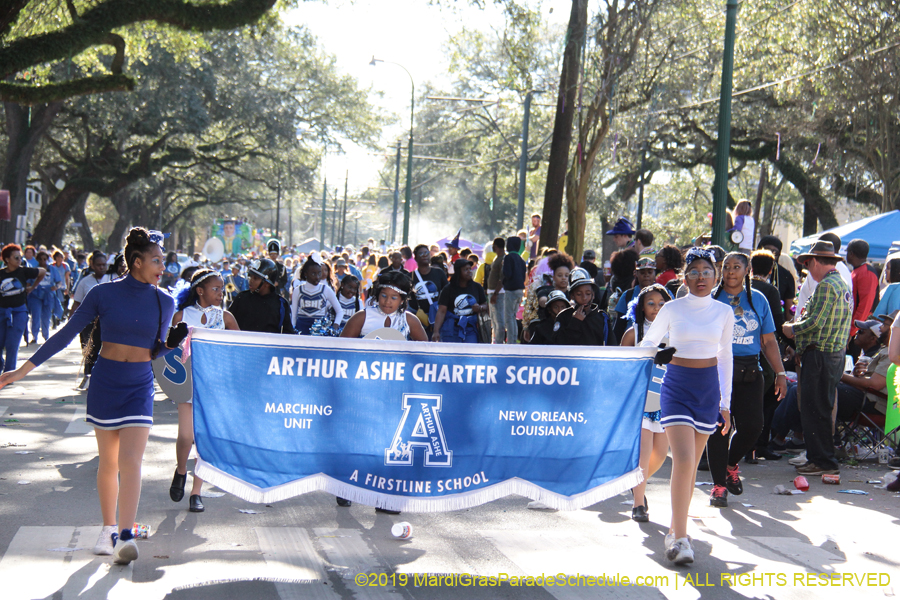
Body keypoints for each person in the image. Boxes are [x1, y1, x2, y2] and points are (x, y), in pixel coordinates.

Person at [0, 228, 184, 565]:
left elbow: (155, 351)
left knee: (131, 461)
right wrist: (20, 371)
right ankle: (108, 527)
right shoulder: (102, 293)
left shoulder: (165, 300)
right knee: (109, 462)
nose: (164, 266)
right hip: (106, 382)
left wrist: (172, 343)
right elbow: (66, 334)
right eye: (157, 260)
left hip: (140, 386)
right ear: (137, 262)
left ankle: (126, 536)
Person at [640, 247, 735, 565]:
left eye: (707, 272)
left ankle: (675, 527)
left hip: (708, 391)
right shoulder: (672, 308)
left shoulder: (724, 312)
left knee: (691, 464)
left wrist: (726, 403)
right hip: (676, 386)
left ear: (716, 275)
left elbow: (725, 357)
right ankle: (680, 538)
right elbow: (647, 343)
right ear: (684, 276)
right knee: (682, 458)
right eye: (693, 272)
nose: (701, 278)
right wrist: (659, 353)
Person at [707, 252, 786, 507]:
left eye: (736, 267)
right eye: (726, 267)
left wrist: (781, 373)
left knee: (753, 427)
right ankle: (719, 486)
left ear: (747, 270)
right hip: (718, 370)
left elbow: (769, 340)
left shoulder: (758, 299)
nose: (730, 271)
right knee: (720, 428)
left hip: (751, 370)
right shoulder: (712, 298)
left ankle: (730, 465)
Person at [168, 268, 239, 514]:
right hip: (187, 385)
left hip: (214, 386)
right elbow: (167, 352)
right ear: (200, 290)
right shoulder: (180, 316)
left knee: (204, 440)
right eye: (216, 288)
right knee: (186, 437)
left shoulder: (226, 317)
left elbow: (240, 349)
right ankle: (180, 471)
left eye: (222, 288)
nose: (221, 293)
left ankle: (197, 491)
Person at [782, 241, 851, 476]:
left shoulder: (825, 286)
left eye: (808, 263)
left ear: (814, 261)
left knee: (814, 410)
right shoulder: (840, 285)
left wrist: (791, 329)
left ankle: (822, 460)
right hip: (832, 355)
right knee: (821, 407)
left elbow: (815, 322)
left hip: (820, 355)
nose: (807, 269)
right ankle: (820, 458)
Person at [621, 284, 672, 522]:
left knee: (661, 454)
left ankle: (634, 483)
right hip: (641, 402)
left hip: (667, 400)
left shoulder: (677, 331)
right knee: (643, 453)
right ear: (641, 307)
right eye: (650, 303)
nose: (656, 307)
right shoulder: (633, 333)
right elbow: (621, 370)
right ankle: (638, 504)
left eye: (661, 303)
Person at [340, 270, 427, 341]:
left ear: (402, 300)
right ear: (378, 295)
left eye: (393, 298)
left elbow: (425, 351)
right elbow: (341, 348)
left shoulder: (410, 320)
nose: (387, 302)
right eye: (384, 296)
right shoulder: (361, 317)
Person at [0, 244, 46, 371]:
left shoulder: (23, 271)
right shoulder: (1, 274)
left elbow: (42, 272)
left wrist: (33, 287)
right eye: (16, 257)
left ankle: (8, 373)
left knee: (12, 344)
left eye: (20, 257)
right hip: (2, 312)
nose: (19, 260)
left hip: (19, 312)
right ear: (7, 259)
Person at [229, 258, 295, 334]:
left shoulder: (281, 304)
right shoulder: (242, 298)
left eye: (255, 278)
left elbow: (288, 333)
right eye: (250, 277)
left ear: (267, 283)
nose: (251, 281)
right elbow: (228, 324)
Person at [554, 267, 617, 346]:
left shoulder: (602, 318)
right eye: (579, 294)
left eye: (588, 293)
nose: (584, 298)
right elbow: (558, 344)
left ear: (593, 295)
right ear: (572, 296)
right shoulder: (563, 316)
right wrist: (575, 322)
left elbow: (611, 344)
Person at [433, 258, 488, 343]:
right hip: (451, 328)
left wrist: (480, 308)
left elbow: (485, 304)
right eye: (466, 270)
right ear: (458, 272)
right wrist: (436, 331)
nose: (469, 271)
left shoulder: (477, 287)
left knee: (470, 354)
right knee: (452, 355)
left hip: (470, 328)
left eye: (470, 269)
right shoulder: (448, 289)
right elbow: (441, 311)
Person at [290, 256, 343, 335]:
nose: (317, 277)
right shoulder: (298, 290)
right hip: (301, 332)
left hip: (319, 333)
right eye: (313, 274)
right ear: (305, 274)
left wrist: (334, 327)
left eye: (319, 273)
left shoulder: (326, 289)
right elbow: (294, 315)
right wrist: (293, 329)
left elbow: (340, 311)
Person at [521, 250, 570, 332]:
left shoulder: (573, 294)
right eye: (560, 275)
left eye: (566, 275)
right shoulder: (544, 290)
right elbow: (542, 301)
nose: (563, 278)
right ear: (553, 277)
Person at [613, 256, 658, 340]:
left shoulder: (665, 293)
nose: (646, 275)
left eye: (650, 272)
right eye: (642, 272)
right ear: (636, 274)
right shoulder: (627, 295)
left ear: (655, 273)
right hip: (631, 342)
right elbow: (619, 326)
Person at [409, 244, 447, 340]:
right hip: (419, 318)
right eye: (421, 253)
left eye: (426, 253)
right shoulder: (410, 276)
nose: (425, 255)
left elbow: (447, 292)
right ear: (416, 257)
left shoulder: (439, 273)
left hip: (437, 317)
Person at [495, 236, 527, 343]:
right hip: (520, 290)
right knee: (513, 316)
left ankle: (511, 341)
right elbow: (523, 276)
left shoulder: (508, 258)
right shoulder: (521, 259)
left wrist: (504, 282)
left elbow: (507, 274)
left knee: (508, 317)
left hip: (511, 290)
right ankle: (514, 339)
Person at [25, 250, 61, 344]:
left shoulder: (52, 269)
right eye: (40, 259)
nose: (43, 261)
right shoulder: (34, 269)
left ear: (47, 259)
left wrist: (56, 287)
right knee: (35, 316)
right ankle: (34, 336)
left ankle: (46, 336)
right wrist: (28, 291)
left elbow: (59, 282)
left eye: (45, 259)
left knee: (46, 316)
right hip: (35, 295)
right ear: (37, 260)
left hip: (48, 295)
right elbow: (28, 282)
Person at [757, 236, 796, 320]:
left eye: (774, 252)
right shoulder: (745, 270)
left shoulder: (786, 276)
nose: (770, 254)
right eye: (766, 250)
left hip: (775, 322)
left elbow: (788, 309)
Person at [846, 239, 879, 337]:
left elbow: (865, 306)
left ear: (851, 254)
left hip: (860, 330)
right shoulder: (857, 271)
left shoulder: (866, 273)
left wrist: (851, 332)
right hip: (853, 327)